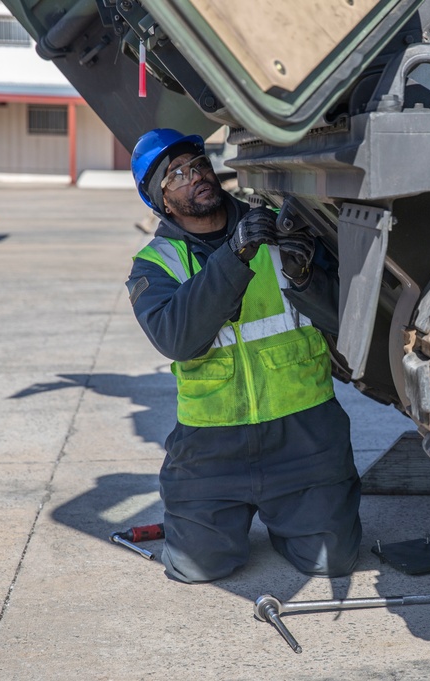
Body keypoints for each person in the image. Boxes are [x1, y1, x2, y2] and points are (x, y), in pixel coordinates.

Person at [125, 128, 362, 583]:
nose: (194, 175)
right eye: (175, 175)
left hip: (304, 436)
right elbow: (178, 339)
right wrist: (234, 257)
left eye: (197, 164)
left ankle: (284, 515)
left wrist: (307, 278)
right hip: (212, 450)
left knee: (332, 564)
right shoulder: (154, 265)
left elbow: (345, 322)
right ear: (162, 202)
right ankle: (232, 516)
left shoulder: (281, 225)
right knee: (197, 568)